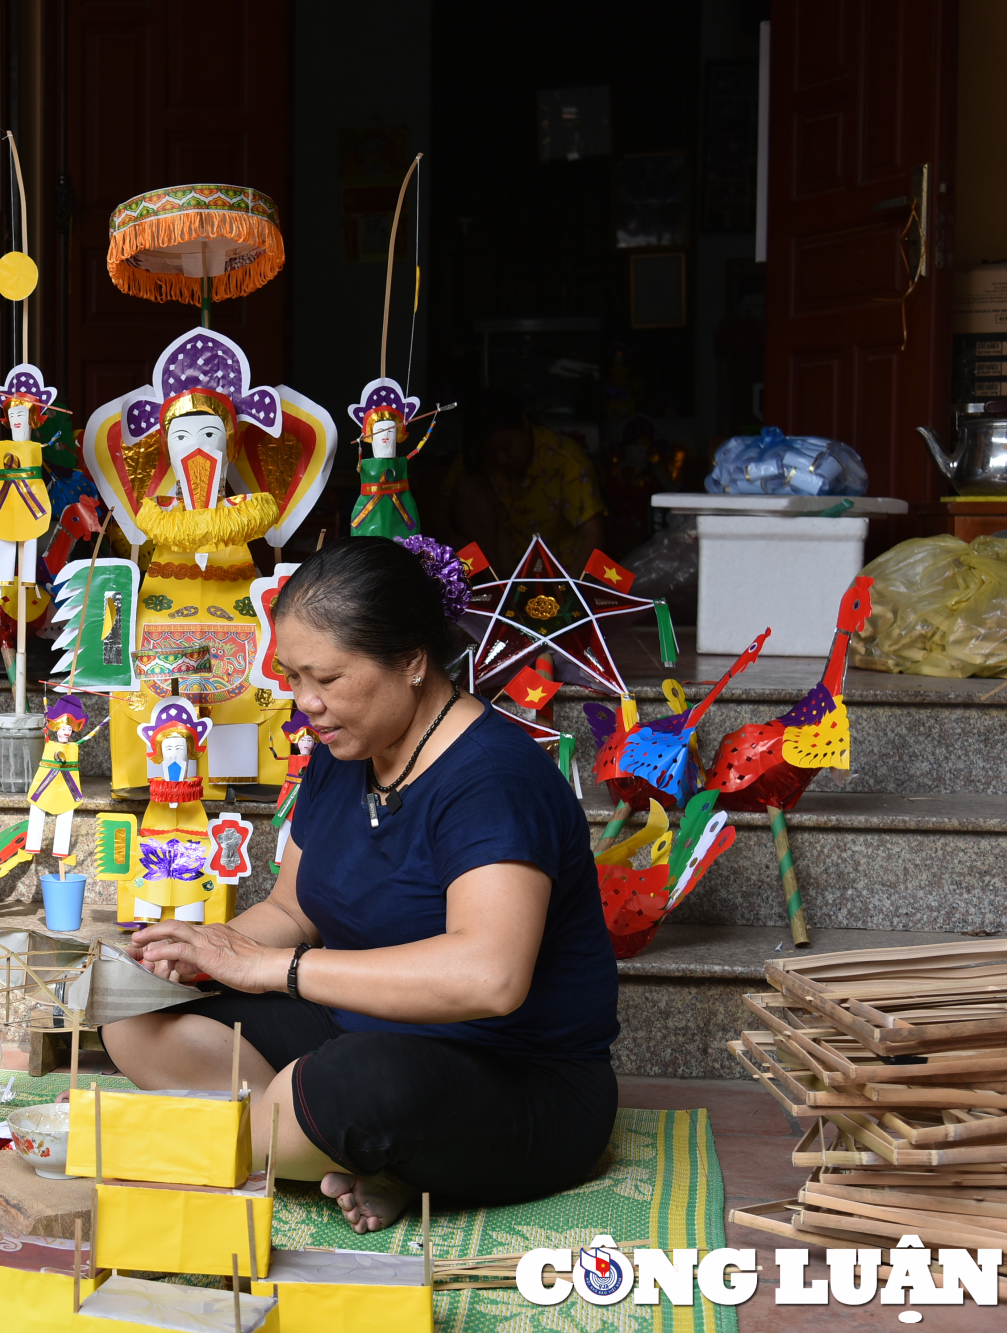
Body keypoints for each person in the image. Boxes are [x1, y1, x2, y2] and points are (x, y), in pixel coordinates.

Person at [100, 535, 619, 1233]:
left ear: (410, 660)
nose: (308, 702)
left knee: (348, 1082)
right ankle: (333, 1147)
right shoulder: (343, 749)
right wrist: (202, 949)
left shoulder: (493, 779)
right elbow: (292, 908)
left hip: (515, 1078)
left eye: (328, 678)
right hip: (355, 1029)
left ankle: (297, 1134)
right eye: (293, 677)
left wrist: (273, 969)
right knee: (134, 1017)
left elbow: (489, 975)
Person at [442, 390, 605, 574]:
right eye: (492, 454)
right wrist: (452, 536)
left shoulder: (567, 461)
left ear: (524, 423)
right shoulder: (475, 458)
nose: (501, 459)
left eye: (507, 447)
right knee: (468, 487)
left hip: (560, 568)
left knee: (624, 582)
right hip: (504, 563)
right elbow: (441, 507)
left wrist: (570, 587)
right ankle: (498, 590)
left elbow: (593, 533)